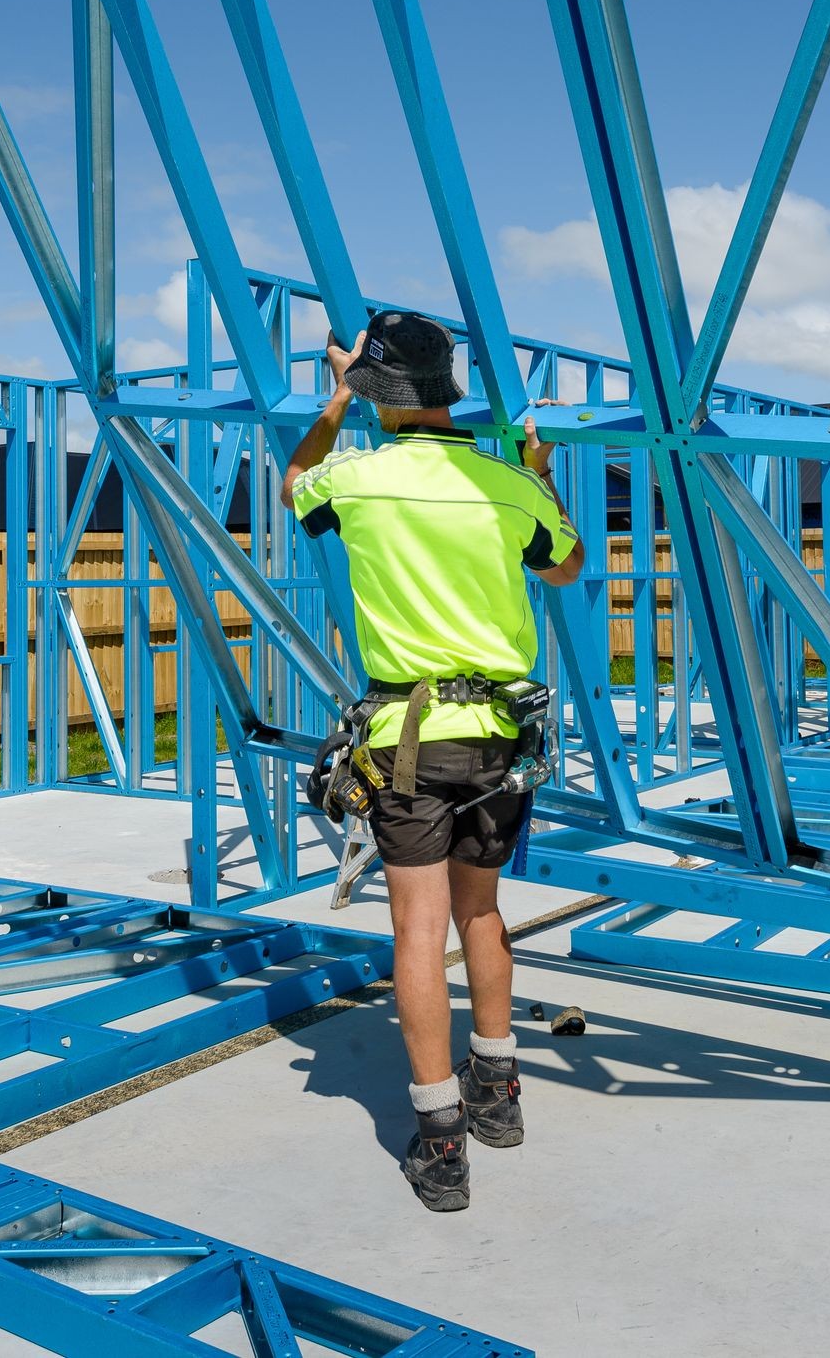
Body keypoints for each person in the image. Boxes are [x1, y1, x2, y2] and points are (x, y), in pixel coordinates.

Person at [281, 309, 585, 1212]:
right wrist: (540, 479)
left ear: (378, 393)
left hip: (404, 743)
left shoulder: (357, 481)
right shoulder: (506, 485)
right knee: (481, 914)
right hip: (500, 739)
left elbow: (295, 479)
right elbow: (564, 569)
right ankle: (498, 1095)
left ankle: (441, 1142)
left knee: (418, 932)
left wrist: (336, 399)